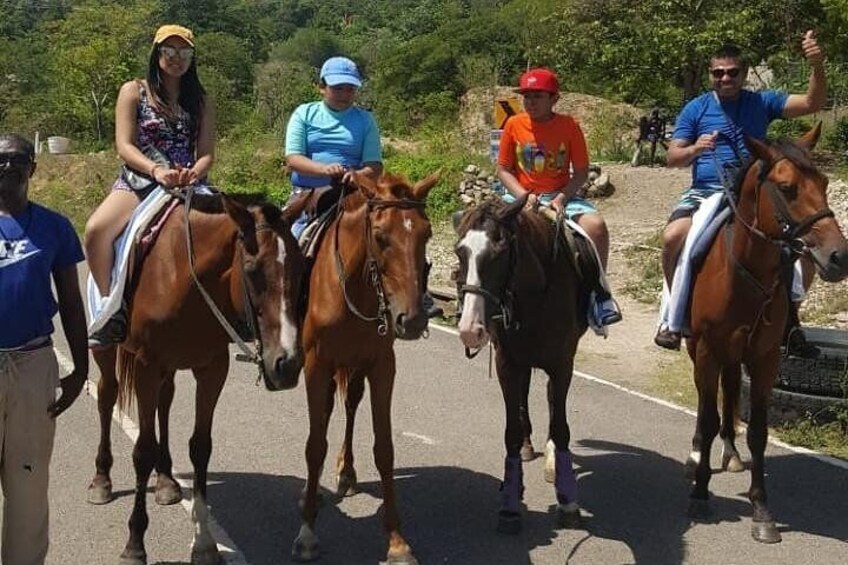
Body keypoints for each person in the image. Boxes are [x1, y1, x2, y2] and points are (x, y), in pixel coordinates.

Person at [655, 32, 825, 352]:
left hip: (756, 193)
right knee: (674, 237)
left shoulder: (761, 102)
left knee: (803, 247)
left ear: (744, 74)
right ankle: (673, 315)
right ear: (710, 76)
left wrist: (816, 64)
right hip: (707, 190)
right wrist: (695, 148)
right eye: (718, 73)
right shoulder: (696, 109)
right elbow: (672, 158)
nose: (725, 78)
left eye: (732, 72)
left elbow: (812, 103)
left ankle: (790, 321)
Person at [84, 24, 215, 346]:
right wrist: (156, 171)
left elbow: (207, 152)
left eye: (184, 52)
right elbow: (124, 145)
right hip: (140, 180)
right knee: (96, 230)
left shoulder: (201, 100)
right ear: (157, 53)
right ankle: (108, 309)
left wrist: (193, 173)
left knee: (237, 231)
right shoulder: (134, 90)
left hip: (189, 182)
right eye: (170, 51)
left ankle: (237, 313)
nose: (177, 59)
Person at [0, 133, 88, 564]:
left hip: (33, 364)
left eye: (19, 159)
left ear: (33, 169)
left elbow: (71, 301)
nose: (9, 166)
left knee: (28, 486)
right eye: (1, 159)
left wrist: (81, 370)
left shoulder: (54, 226)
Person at [497, 67, 622, 332]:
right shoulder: (513, 124)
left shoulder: (569, 126)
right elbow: (504, 170)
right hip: (517, 195)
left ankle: (599, 296)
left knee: (596, 226)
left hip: (559, 196)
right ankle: (476, 300)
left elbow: (581, 172)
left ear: (554, 98)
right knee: (480, 230)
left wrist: (563, 197)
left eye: (537, 96)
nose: (530, 102)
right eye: (526, 96)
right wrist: (523, 196)